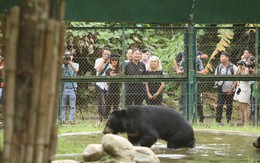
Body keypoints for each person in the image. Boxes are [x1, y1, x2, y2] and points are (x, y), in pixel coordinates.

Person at [173, 50, 205, 122]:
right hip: (184, 83)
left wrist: (193, 72)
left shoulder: (198, 61)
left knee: (198, 100)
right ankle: (182, 116)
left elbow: (203, 72)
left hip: (197, 83)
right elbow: (180, 72)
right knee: (182, 98)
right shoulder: (183, 61)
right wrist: (179, 71)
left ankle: (201, 118)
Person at [214, 51, 237, 124]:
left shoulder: (233, 67)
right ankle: (218, 121)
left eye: (222, 57)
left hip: (230, 90)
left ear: (227, 58)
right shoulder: (218, 67)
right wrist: (217, 84)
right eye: (220, 57)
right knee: (219, 105)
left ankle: (228, 121)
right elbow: (215, 78)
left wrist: (232, 88)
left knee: (229, 106)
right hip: (220, 90)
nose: (221, 58)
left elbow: (236, 79)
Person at [60, 50, 79, 124]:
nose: (68, 56)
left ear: (72, 56)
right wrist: (63, 61)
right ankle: (62, 119)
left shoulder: (76, 64)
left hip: (73, 88)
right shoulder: (63, 65)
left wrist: (70, 63)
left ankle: (71, 119)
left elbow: (76, 70)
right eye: (66, 55)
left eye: (69, 55)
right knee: (63, 105)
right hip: (64, 88)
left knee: (72, 105)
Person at [94, 47, 111, 122]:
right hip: (100, 84)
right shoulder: (98, 60)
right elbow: (98, 69)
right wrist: (103, 61)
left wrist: (109, 61)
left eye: (108, 54)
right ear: (102, 54)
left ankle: (106, 117)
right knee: (101, 101)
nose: (106, 55)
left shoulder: (112, 61)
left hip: (108, 84)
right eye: (105, 54)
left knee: (108, 101)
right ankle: (101, 118)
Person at [104, 54, 121, 119]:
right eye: (113, 60)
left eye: (116, 60)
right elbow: (108, 83)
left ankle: (115, 120)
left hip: (117, 90)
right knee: (108, 106)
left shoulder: (119, 70)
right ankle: (104, 119)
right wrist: (110, 77)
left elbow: (121, 80)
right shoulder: (108, 70)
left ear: (117, 61)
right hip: (110, 90)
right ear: (110, 61)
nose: (114, 61)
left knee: (116, 106)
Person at [233, 60, 251, 125]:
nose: (241, 66)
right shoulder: (239, 70)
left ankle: (246, 123)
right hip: (239, 90)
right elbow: (235, 75)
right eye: (241, 65)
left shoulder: (247, 69)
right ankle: (242, 121)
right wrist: (239, 68)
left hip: (245, 90)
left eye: (242, 65)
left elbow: (246, 75)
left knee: (244, 107)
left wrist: (244, 68)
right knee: (240, 107)